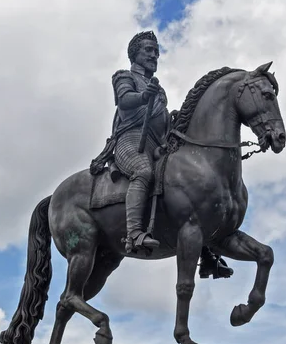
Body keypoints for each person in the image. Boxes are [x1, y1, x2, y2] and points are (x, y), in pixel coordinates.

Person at [91, 30, 233, 277]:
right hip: (131, 140)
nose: (154, 55)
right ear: (135, 53)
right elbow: (125, 102)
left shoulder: (159, 90)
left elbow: (162, 122)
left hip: (157, 144)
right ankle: (134, 233)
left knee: (188, 184)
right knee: (142, 171)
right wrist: (143, 96)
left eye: (156, 52)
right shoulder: (124, 77)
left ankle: (207, 252)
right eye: (148, 50)